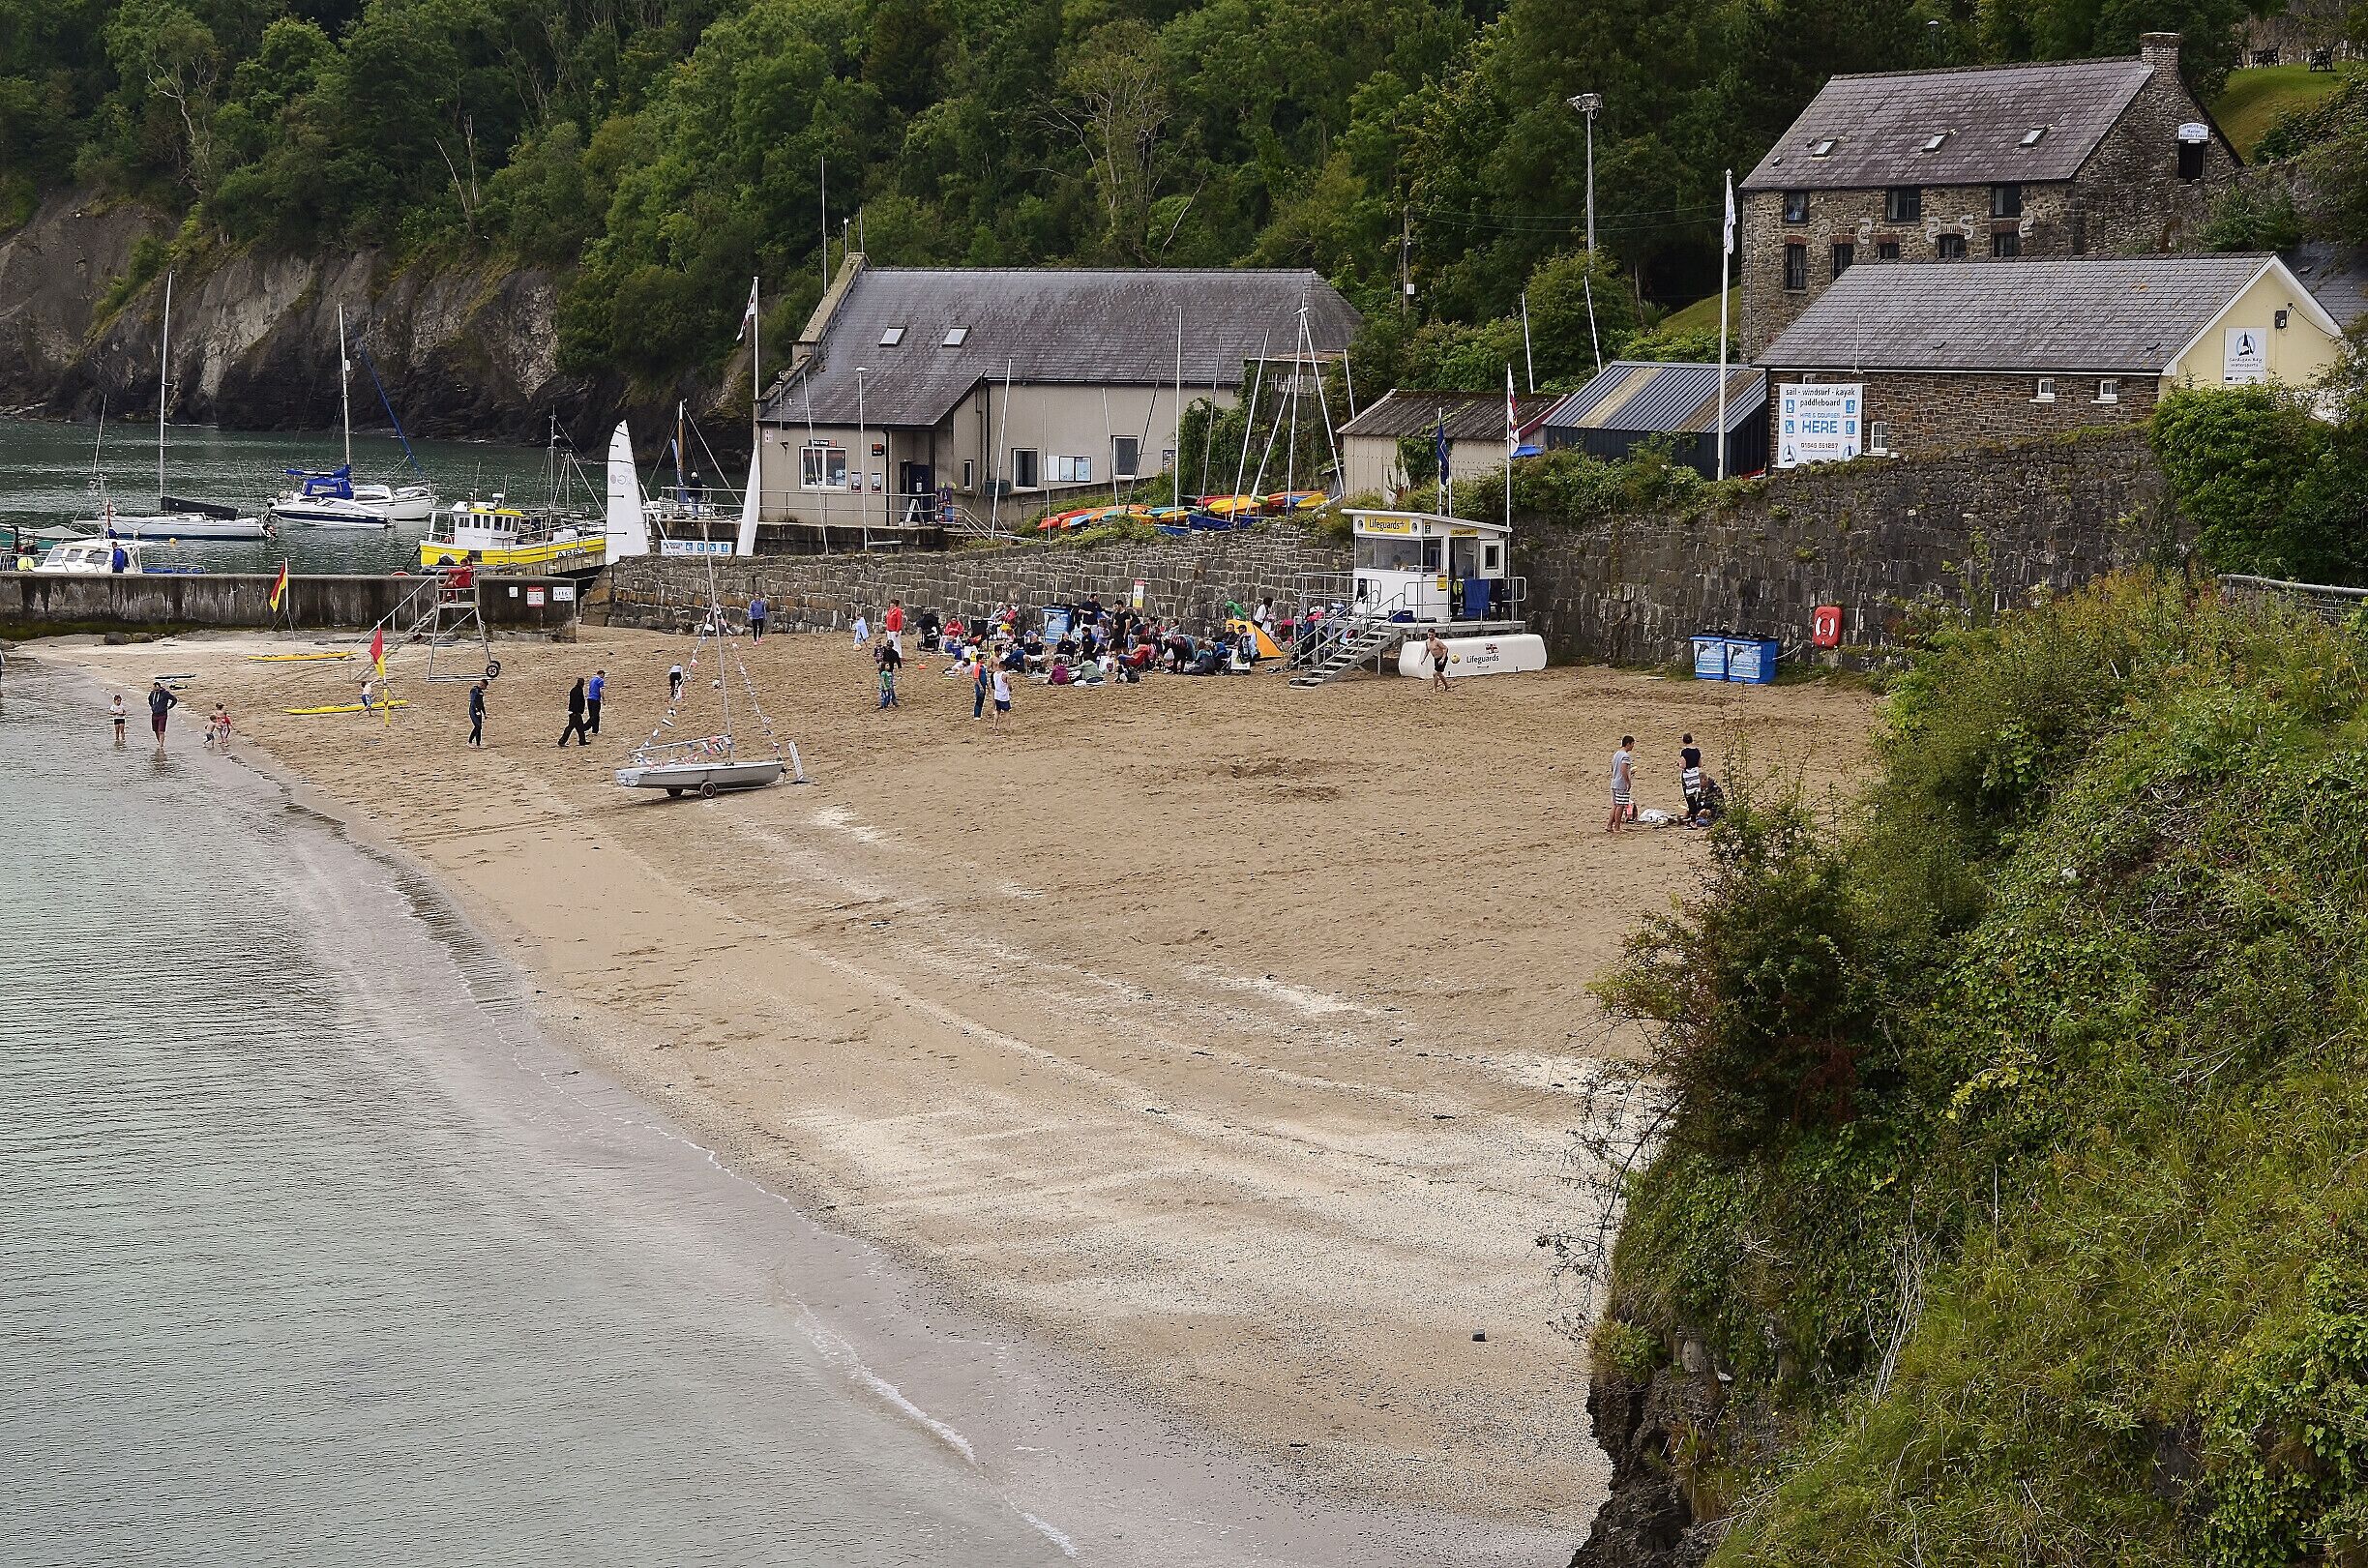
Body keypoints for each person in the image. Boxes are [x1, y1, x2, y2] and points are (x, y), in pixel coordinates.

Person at [1608, 735, 1635, 834]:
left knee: (1615, 805)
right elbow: (1623, 769)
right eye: (1632, 744)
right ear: (1628, 744)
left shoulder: (1617, 754)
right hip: (1621, 783)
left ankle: (1609, 825)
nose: (1633, 746)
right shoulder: (1625, 756)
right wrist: (1628, 781)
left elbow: (1613, 768)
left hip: (1614, 782)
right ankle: (1617, 827)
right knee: (1621, 805)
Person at [558, 677, 592, 746]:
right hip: (576, 713)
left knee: (580, 728)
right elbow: (578, 702)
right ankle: (562, 741)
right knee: (570, 728)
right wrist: (579, 710)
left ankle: (582, 741)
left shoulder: (574, 690)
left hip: (575, 712)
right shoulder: (579, 690)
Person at [1679, 733, 1704, 820]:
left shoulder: (1684, 752)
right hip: (1695, 776)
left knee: (1689, 797)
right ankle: (1693, 815)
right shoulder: (1697, 751)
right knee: (1695, 796)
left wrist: (1678, 764)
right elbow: (1700, 764)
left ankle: (1692, 818)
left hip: (1688, 776)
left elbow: (1683, 765)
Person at [147, 679, 176, 747]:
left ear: (160, 688)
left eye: (157, 690)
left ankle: (161, 746)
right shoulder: (152, 693)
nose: (156, 691)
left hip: (163, 714)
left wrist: (169, 707)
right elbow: (150, 700)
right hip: (154, 714)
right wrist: (152, 706)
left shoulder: (165, 693)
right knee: (155, 730)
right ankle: (159, 743)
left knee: (161, 731)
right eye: (154, 690)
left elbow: (174, 699)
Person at [1425, 630, 1450, 694]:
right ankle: (1446, 685)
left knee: (1435, 673)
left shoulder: (1437, 641)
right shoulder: (1427, 642)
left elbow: (1445, 648)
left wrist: (1443, 659)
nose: (1430, 636)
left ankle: (1435, 689)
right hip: (1436, 659)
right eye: (1429, 635)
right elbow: (1427, 650)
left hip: (1442, 658)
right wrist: (1423, 659)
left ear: (1434, 634)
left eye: (1432, 635)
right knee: (1439, 673)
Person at [990, 662, 1012, 728]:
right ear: (1004, 667)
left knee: (998, 711)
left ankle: (995, 725)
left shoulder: (994, 674)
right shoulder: (1005, 675)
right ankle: (1008, 727)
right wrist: (1010, 690)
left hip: (997, 695)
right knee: (1006, 711)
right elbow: (1009, 685)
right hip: (1003, 695)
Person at [973, 650, 992, 720]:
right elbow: (976, 677)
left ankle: (979, 714)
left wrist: (988, 686)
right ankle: (976, 715)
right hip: (979, 685)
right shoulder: (977, 667)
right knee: (979, 700)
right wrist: (980, 686)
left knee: (982, 700)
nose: (984, 659)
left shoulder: (983, 667)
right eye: (983, 658)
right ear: (979, 659)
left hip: (983, 685)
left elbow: (985, 677)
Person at [467, 679, 487, 747]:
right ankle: (470, 742)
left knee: (479, 727)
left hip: (478, 711)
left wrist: (484, 713)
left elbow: (481, 703)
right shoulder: (474, 690)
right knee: (477, 725)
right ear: (483, 685)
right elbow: (473, 701)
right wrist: (476, 710)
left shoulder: (481, 692)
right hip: (473, 711)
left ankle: (478, 744)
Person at [586, 667, 606, 735]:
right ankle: (586, 727)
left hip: (589, 699)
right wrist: (603, 699)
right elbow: (601, 691)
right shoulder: (600, 680)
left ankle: (594, 730)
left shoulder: (592, 680)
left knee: (592, 715)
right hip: (596, 699)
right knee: (595, 716)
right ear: (601, 674)